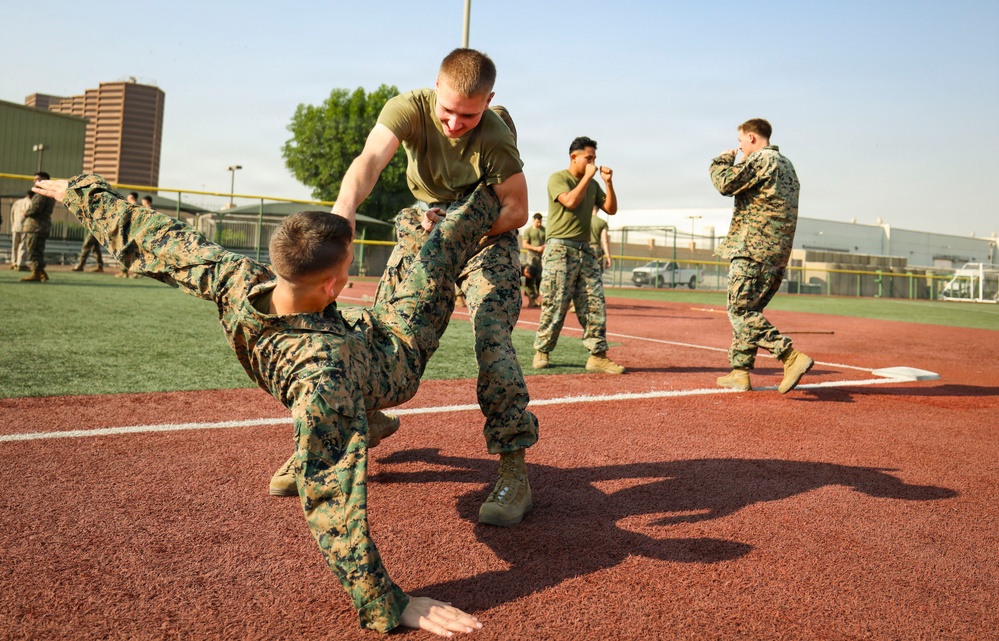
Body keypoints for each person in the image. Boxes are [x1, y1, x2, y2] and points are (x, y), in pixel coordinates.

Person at [34, 173, 497, 636]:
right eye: (348, 267)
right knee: (439, 252)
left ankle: (358, 422)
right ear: (334, 286)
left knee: (394, 281)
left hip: (331, 349)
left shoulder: (239, 280)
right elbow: (332, 500)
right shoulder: (324, 379)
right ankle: (491, 186)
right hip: (388, 362)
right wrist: (384, 600)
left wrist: (81, 193)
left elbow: (156, 237)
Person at [270, 48, 538, 528]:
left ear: (489, 102)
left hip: (485, 237)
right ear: (435, 88)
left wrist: (461, 227)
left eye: (469, 115)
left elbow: (516, 210)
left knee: (492, 338)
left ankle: (514, 468)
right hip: (424, 224)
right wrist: (342, 219)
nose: (456, 124)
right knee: (382, 333)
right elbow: (369, 160)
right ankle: (365, 420)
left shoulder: (495, 137)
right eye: (448, 111)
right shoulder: (407, 108)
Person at [709, 118, 813, 394]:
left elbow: (725, 183)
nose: (740, 147)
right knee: (750, 311)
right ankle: (739, 372)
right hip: (776, 255)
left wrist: (720, 161)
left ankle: (790, 357)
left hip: (753, 249)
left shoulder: (761, 159)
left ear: (753, 138)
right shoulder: (787, 165)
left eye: (742, 141)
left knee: (739, 310)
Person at [533, 136, 624, 374]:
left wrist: (607, 183)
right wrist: (587, 177)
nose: (593, 162)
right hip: (560, 251)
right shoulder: (558, 178)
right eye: (589, 158)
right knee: (555, 303)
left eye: (594, 158)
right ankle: (542, 350)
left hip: (586, 252)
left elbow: (611, 210)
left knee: (595, 305)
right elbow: (571, 201)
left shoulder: (592, 184)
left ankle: (597, 355)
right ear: (574, 157)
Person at [19, 172, 55, 282]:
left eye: (38, 179)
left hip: (36, 227)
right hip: (40, 226)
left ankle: (36, 274)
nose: (35, 181)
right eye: (34, 179)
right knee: (36, 250)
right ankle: (41, 272)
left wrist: (26, 213)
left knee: (34, 250)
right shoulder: (48, 193)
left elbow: (36, 209)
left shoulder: (42, 194)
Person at [521, 212, 545, 307]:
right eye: (537, 222)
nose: (539, 224)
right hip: (532, 257)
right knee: (530, 278)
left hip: (541, 258)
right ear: (534, 220)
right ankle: (532, 299)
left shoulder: (544, 230)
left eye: (540, 222)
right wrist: (536, 248)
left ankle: (536, 298)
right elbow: (524, 244)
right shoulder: (528, 230)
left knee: (541, 278)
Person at [8, 190, 33, 270]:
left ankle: (14, 262)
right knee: (22, 245)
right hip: (25, 227)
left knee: (14, 245)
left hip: (15, 226)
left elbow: (11, 214)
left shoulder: (17, 202)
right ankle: (20, 263)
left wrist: (13, 224)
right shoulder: (30, 203)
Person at [590, 208, 611, 273]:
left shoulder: (582, 220)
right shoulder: (602, 222)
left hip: (583, 248)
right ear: (598, 209)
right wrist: (608, 256)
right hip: (596, 249)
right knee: (597, 274)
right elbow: (605, 241)